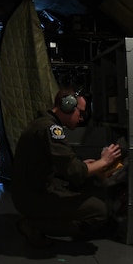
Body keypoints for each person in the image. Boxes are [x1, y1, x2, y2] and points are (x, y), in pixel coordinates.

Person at [10, 87, 122, 247]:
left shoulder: (43, 123)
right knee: (99, 212)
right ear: (67, 106)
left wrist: (84, 165)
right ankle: (34, 224)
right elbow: (74, 171)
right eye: (80, 113)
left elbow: (63, 163)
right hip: (33, 197)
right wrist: (104, 161)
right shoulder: (51, 129)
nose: (82, 118)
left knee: (84, 185)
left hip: (29, 191)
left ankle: (40, 219)